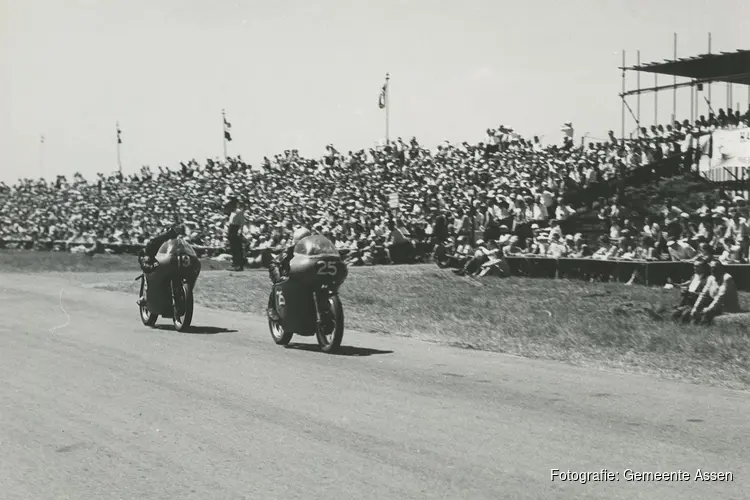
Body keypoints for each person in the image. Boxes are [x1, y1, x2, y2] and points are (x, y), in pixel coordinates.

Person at [267, 227, 312, 321]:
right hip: (290, 274)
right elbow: (275, 263)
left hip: (308, 275)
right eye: (302, 241)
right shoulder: (289, 251)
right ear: (297, 242)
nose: (305, 243)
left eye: (308, 239)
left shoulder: (314, 249)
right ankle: (272, 308)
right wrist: (279, 277)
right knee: (280, 284)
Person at [688, 260, 741, 325]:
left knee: (704, 318)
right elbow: (703, 294)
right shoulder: (711, 278)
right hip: (715, 306)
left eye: (715, 268)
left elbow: (720, 297)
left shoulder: (727, 278)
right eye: (711, 268)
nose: (712, 270)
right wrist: (695, 307)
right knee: (691, 313)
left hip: (727, 308)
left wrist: (709, 309)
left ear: (721, 268)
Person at [136, 226, 179, 306]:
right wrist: (150, 264)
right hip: (155, 263)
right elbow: (145, 256)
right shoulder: (154, 243)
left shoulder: (176, 243)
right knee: (148, 272)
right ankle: (144, 297)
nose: (170, 238)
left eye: (172, 236)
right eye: (168, 236)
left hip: (168, 264)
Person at [225, 197, 245, 271]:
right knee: (233, 248)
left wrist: (240, 231)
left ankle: (239, 265)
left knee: (237, 248)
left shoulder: (239, 212)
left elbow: (242, 223)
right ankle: (234, 263)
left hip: (236, 229)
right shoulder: (232, 212)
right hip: (231, 229)